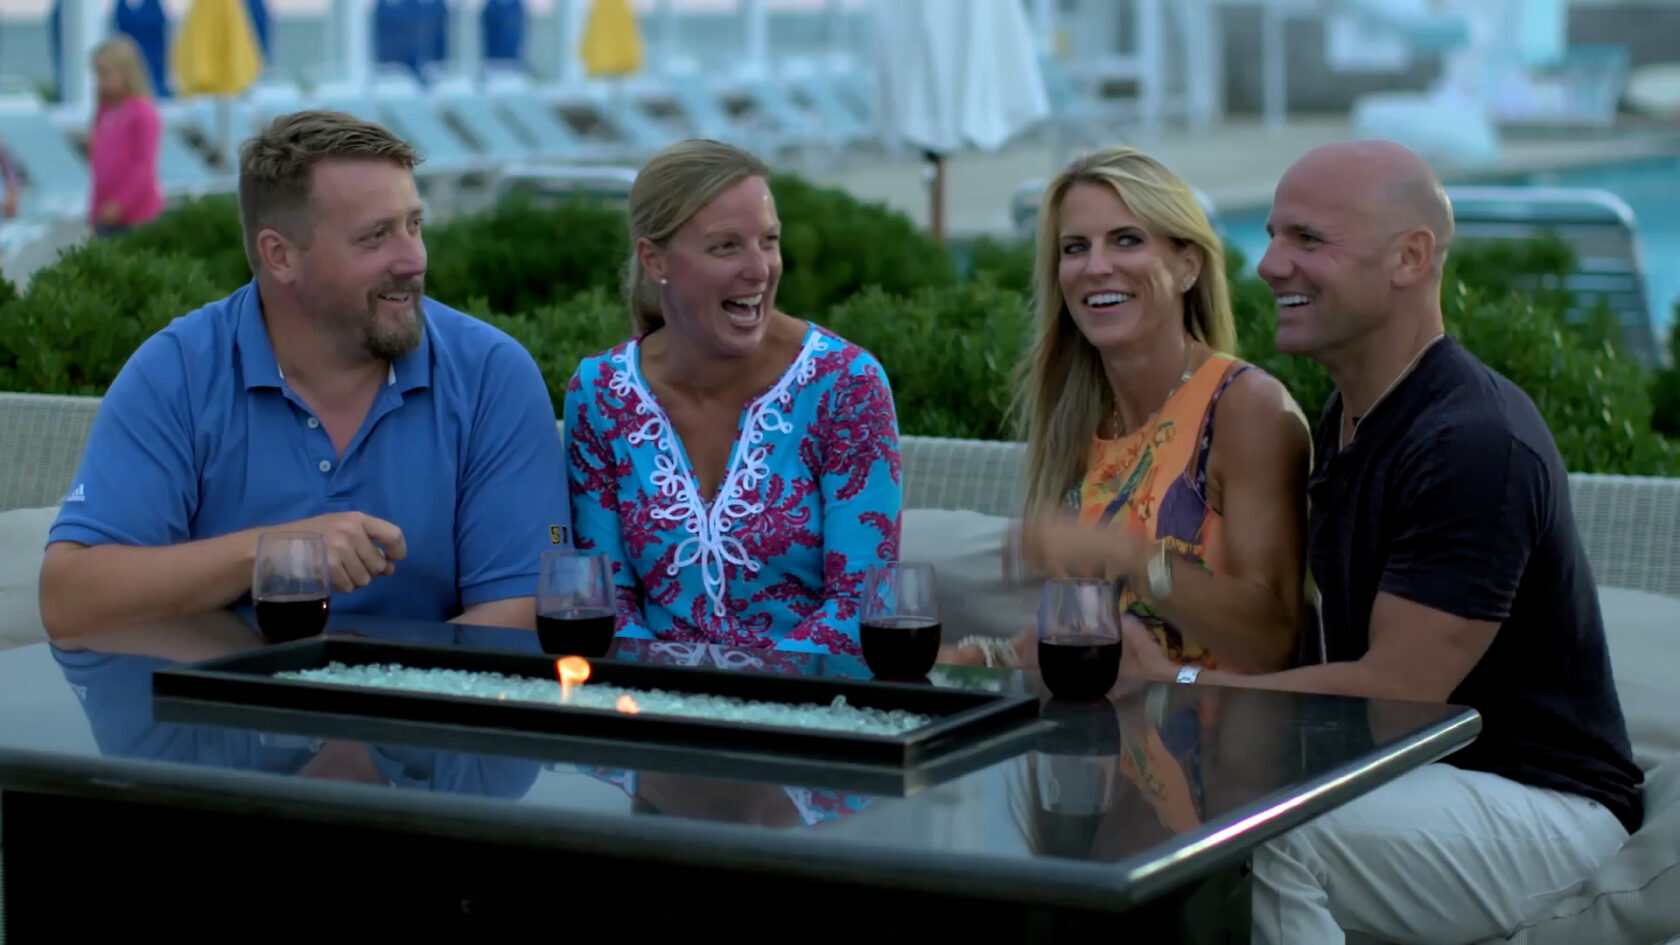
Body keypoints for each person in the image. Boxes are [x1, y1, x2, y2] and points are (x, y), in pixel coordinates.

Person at [1117, 140, 1644, 945]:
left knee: (1267, 835)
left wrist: (1178, 681)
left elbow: (1399, 694)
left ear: (1411, 256)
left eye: (1307, 240)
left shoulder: (1472, 441)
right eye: (1271, 234)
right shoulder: (1351, 416)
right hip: (1421, 780)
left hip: (1541, 804)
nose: (1267, 265)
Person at [39, 109, 570, 640]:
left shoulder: (490, 377)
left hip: (418, 714)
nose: (414, 260)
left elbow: (521, 610)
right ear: (280, 256)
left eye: (414, 225)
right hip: (219, 711)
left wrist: (361, 702)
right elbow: (69, 599)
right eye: (376, 236)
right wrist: (271, 552)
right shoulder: (176, 372)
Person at [943, 144, 1312, 676]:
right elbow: (1098, 637)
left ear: (1187, 266)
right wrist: (983, 658)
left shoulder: (1245, 409)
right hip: (1097, 741)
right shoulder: (1079, 419)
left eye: (1126, 240)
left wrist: (1129, 556)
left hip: (1216, 745)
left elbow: (1272, 640)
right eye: (1075, 248)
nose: (1096, 267)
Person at [563, 138, 902, 655]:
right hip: (651, 708)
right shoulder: (599, 394)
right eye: (726, 246)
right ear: (654, 260)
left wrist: (749, 704)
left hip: (811, 711)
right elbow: (607, 604)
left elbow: (859, 605)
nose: (760, 269)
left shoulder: (847, 384)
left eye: (768, 241)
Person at [87, 34, 163, 236]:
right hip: (105, 215)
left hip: (137, 216)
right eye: (97, 74)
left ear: (126, 73)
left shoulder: (142, 113)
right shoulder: (104, 112)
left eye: (105, 74)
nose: (100, 81)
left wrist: (120, 203)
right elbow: (98, 168)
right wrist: (95, 208)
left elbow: (144, 166)